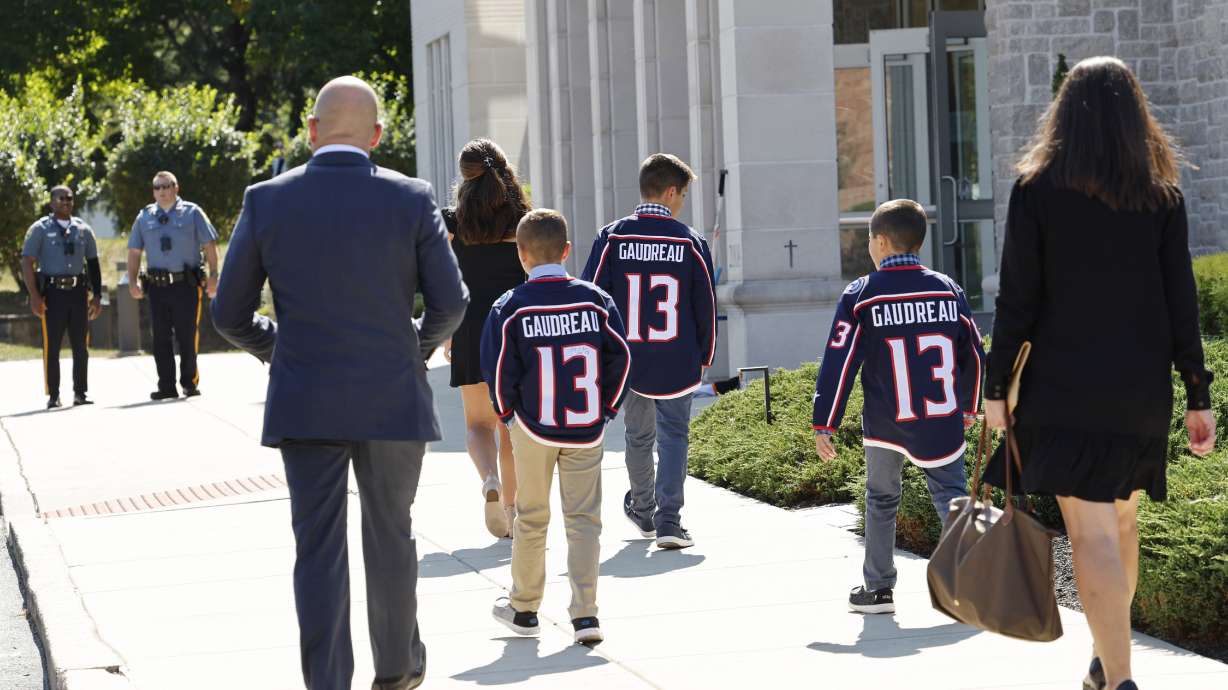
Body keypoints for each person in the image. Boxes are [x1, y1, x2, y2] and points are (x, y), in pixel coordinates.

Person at [211, 76, 468, 690]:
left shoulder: (266, 199)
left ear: (312, 131)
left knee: (318, 550)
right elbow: (452, 301)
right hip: (390, 397)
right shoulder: (411, 198)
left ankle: (328, 681)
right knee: (391, 539)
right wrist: (415, 348)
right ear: (378, 136)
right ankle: (398, 669)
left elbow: (227, 314)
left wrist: (280, 350)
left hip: (307, 398)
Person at [982, 57, 1215, 690]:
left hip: (1063, 387)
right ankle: (1104, 661)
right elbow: (1181, 301)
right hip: (1138, 390)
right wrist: (1199, 393)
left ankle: (1119, 681)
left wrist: (996, 387)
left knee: (1092, 535)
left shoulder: (1036, 190)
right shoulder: (1160, 195)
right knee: (1119, 524)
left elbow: (1017, 301)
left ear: (1064, 115)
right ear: (1136, 115)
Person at [812, 199, 983, 615]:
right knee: (952, 495)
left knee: (881, 499)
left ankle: (878, 590)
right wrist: (970, 405)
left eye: (870, 239)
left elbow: (840, 361)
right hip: (941, 419)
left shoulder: (863, 294)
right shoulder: (947, 288)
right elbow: (974, 354)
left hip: (888, 421)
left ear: (882, 242)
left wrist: (825, 421)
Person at [481, 209, 630, 645]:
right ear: (567, 251)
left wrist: (509, 416)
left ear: (521, 255)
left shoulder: (509, 307)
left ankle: (525, 607)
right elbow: (620, 357)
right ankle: (586, 615)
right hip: (586, 423)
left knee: (531, 516)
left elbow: (498, 372)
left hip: (533, 425)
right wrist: (607, 410)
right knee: (584, 519)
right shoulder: (596, 300)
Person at [580, 153, 716, 550]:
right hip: (677, 357)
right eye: (683, 194)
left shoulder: (612, 238)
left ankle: (643, 510)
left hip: (630, 359)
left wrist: (599, 357)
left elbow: (592, 297)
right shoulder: (689, 241)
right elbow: (704, 304)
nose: (682, 202)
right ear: (671, 191)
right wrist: (704, 355)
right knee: (674, 436)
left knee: (637, 437)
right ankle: (670, 520)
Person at [442, 138, 529, 539]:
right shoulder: (523, 219)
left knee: (478, 423)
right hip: (514, 329)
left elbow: (441, 278)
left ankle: (489, 481)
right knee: (511, 427)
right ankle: (511, 511)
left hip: (470, 327)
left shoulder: (451, 223)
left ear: (464, 175)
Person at [126, 171, 220, 400]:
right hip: (157, 286)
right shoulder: (144, 216)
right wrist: (132, 280)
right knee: (160, 337)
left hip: (185, 284)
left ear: (176, 188)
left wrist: (214, 275)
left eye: (166, 186)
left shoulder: (192, 212)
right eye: (157, 187)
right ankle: (166, 385)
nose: (162, 191)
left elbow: (209, 245)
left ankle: (189, 382)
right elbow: (134, 251)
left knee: (187, 335)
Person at [20, 186, 103, 408]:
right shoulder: (40, 229)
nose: (66, 202)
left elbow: (93, 263)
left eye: (70, 198)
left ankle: (80, 393)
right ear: (52, 202)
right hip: (53, 294)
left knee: (80, 346)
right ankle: (54, 395)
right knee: (52, 346)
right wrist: (35, 296)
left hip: (78, 293)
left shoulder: (83, 229)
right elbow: (27, 261)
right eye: (61, 198)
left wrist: (97, 296)